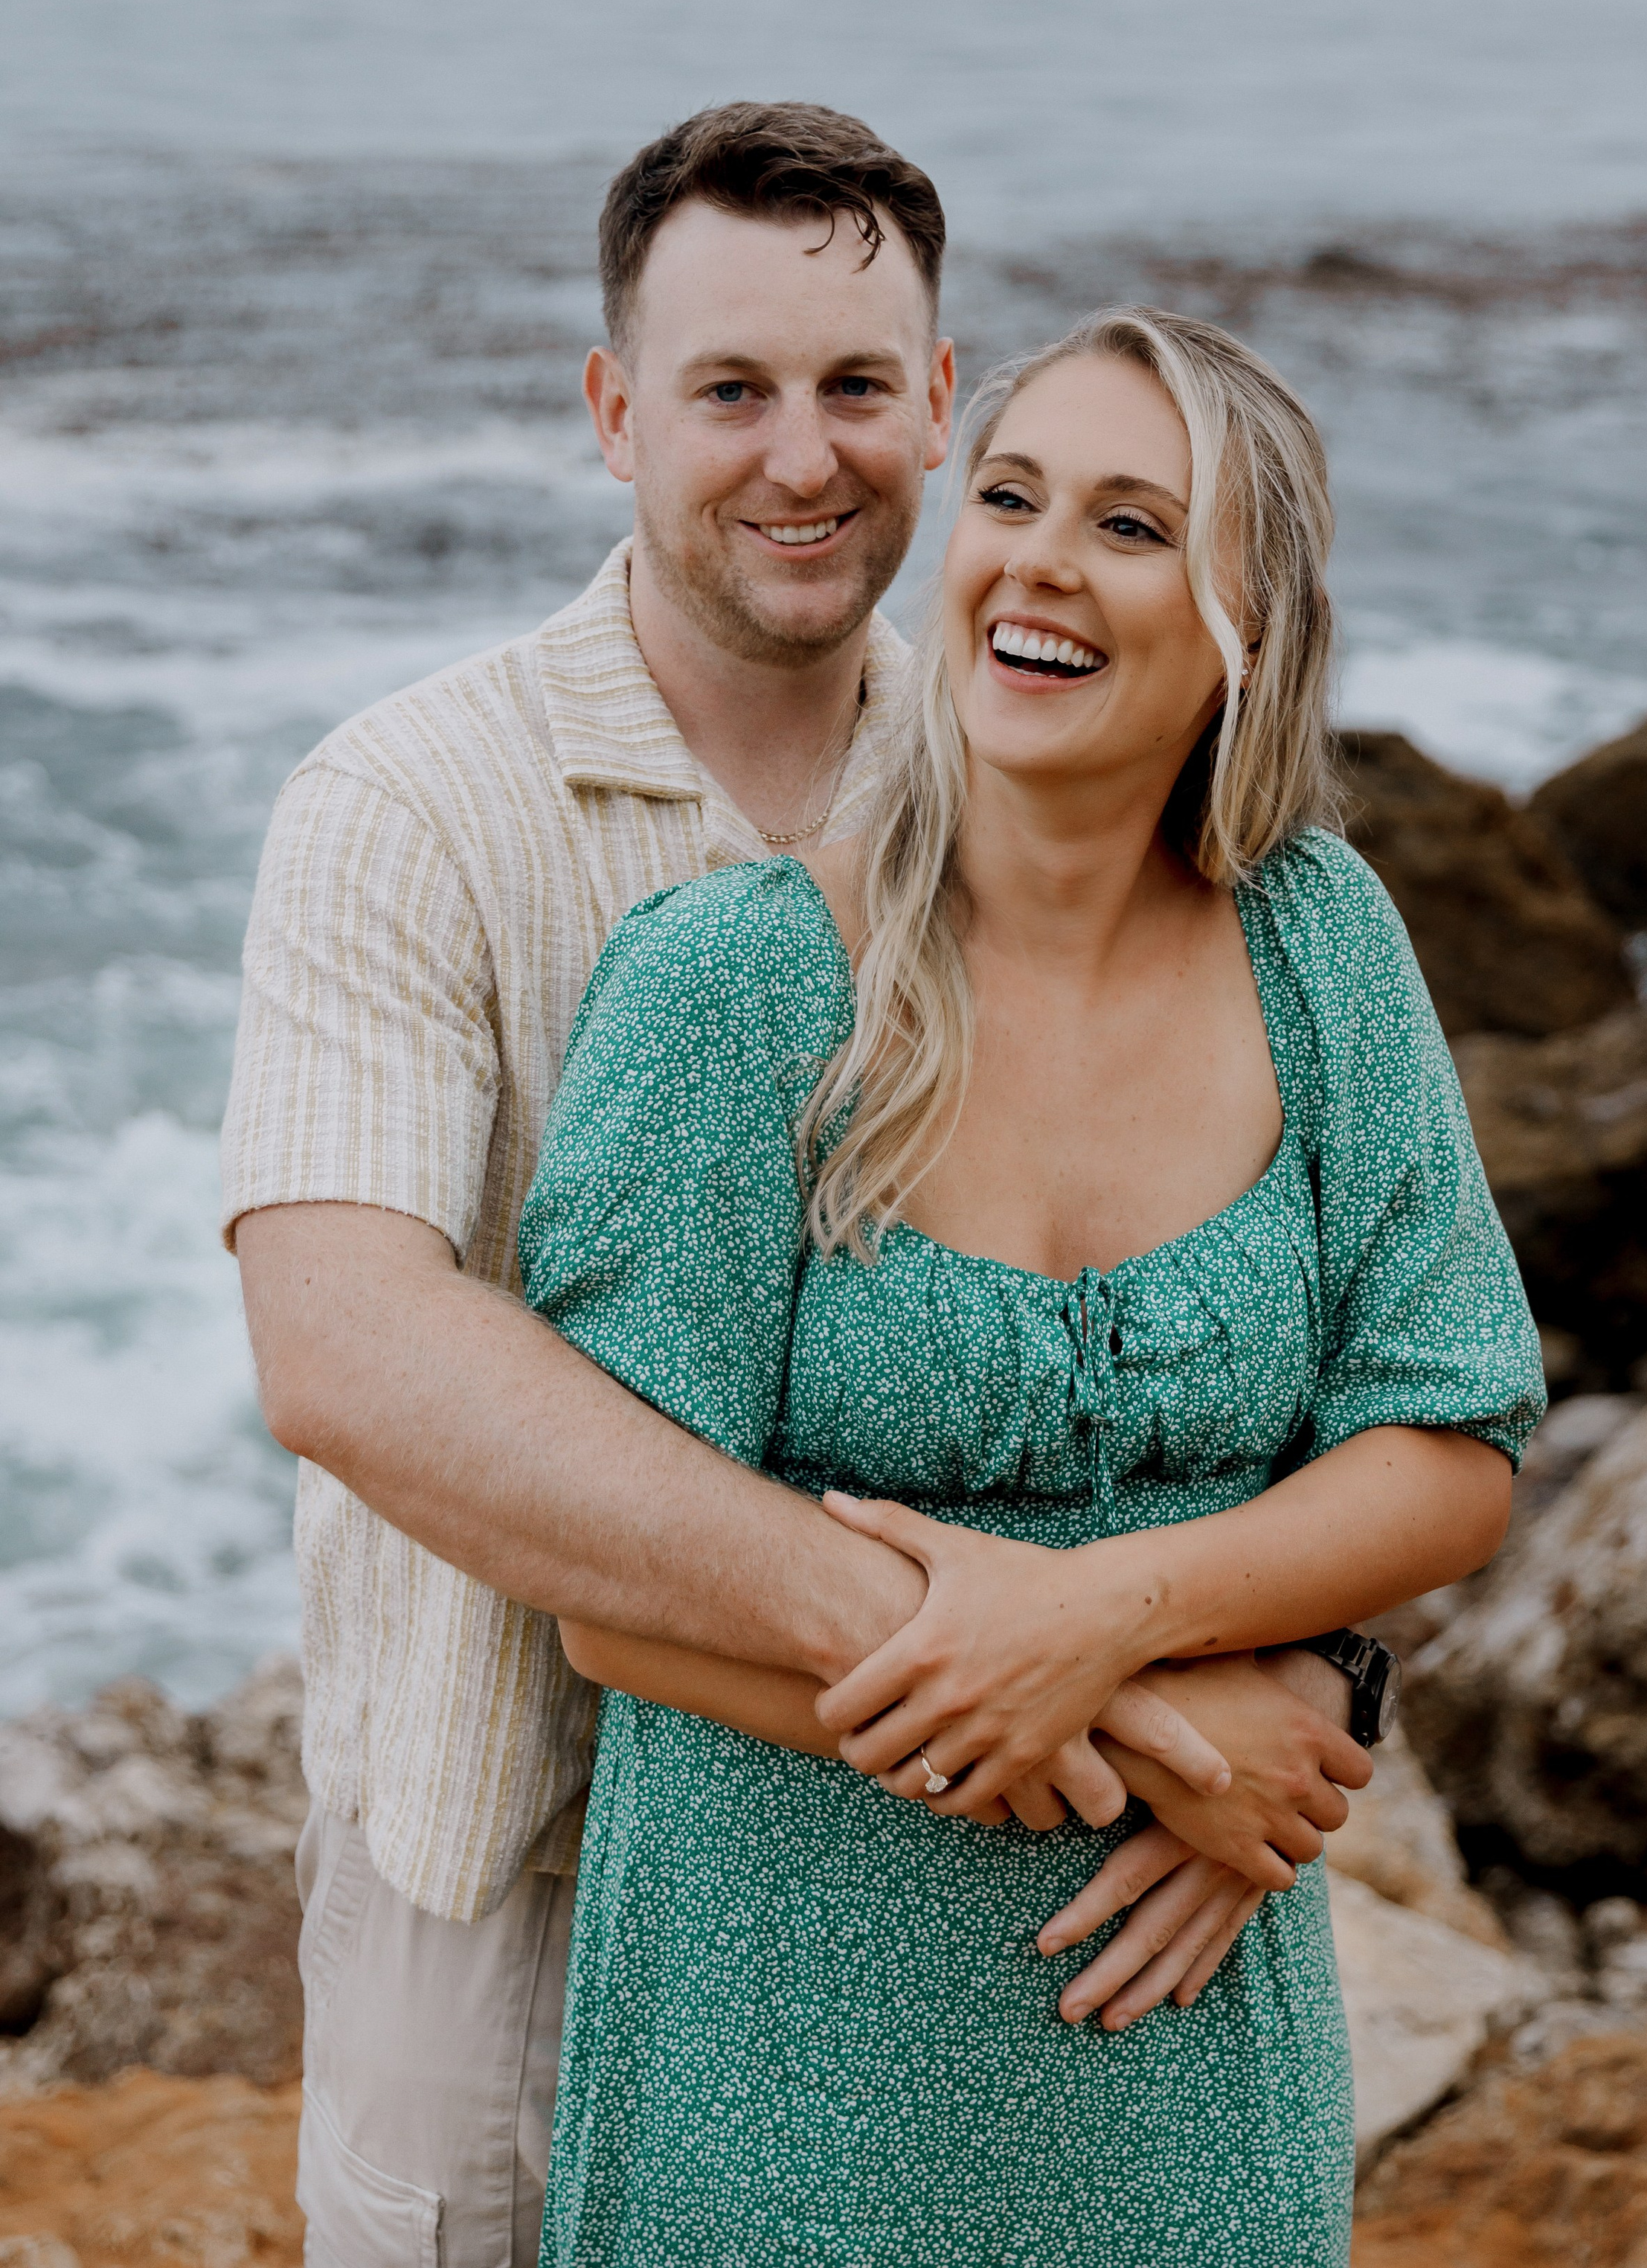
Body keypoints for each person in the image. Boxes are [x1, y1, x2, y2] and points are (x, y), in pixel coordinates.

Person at [222, 110, 1370, 2265]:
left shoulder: (1050, 755)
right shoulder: (407, 804)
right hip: (515, 1864)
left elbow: (1258, 1290)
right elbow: (347, 1350)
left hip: (949, 1904)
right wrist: (1096, 1697)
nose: (801, 453)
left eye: (859, 387)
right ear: (612, 413)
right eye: (727, 389)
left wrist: (1306, 1671)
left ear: (946, 405)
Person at [521, 306, 1546, 2267]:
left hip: (1191, 2074)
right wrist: (1170, 1736)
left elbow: (1451, 1438)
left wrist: (1109, 1613)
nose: (1041, 565)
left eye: (1135, 525)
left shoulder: (1320, 942)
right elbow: (609, 1598)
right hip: (790, 2061)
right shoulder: (733, 987)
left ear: (1253, 626)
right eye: (1008, 497)